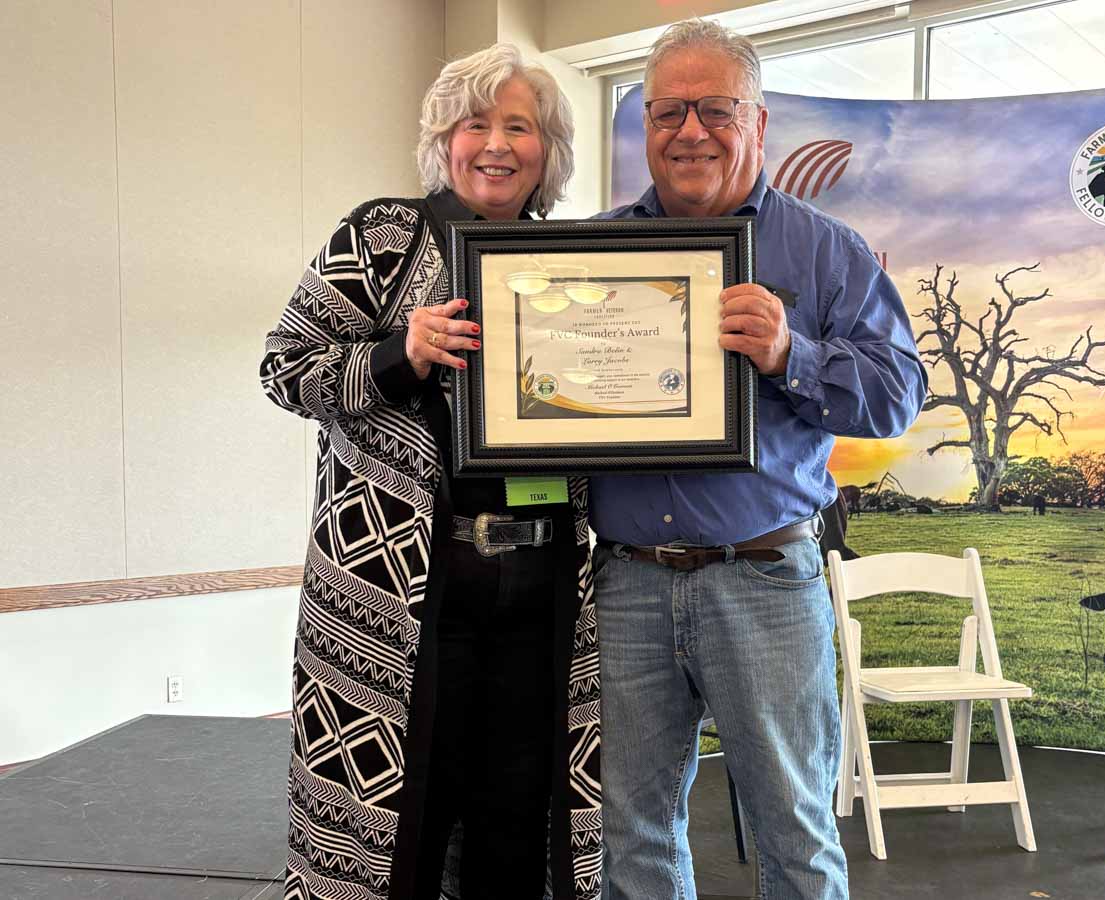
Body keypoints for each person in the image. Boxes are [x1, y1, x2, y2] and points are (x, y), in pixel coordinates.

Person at [590, 19, 927, 900]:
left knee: (796, 833)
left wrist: (792, 355)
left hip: (767, 579)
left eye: (715, 109)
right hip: (625, 583)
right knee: (633, 837)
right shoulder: (591, 255)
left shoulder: (825, 251)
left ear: (760, 122)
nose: (690, 131)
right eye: (668, 112)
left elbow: (898, 397)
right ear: (646, 126)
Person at [260, 44, 601, 900]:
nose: (495, 144)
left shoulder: (578, 266)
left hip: (541, 584)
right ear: (442, 141)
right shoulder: (382, 233)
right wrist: (396, 356)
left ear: (548, 150)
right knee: (399, 818)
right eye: (473, 123)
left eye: (518, 126)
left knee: (517, 818)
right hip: (400, 586)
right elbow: (283, 369)